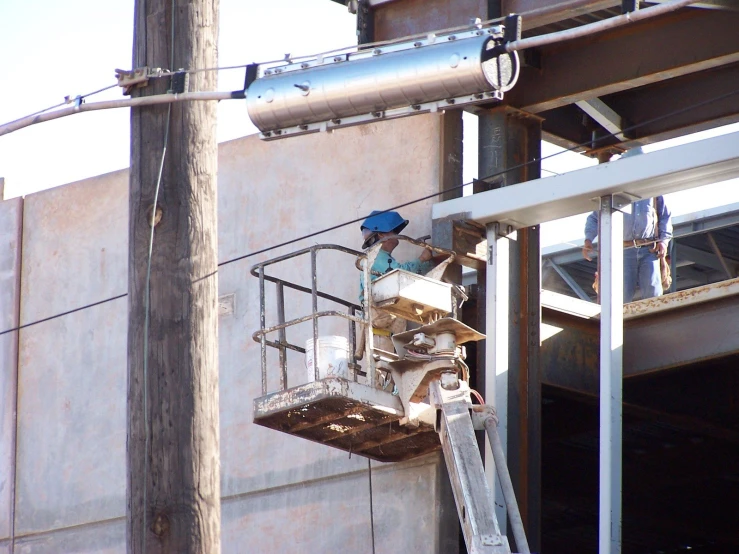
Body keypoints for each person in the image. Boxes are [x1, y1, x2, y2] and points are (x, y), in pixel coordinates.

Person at [582, 147, 673, 302]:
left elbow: (665, 218)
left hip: (649, 249)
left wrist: (664, 243)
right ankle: (623, 325)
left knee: (653, 294)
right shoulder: (614, 193)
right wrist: (588, 240)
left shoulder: (653, 192)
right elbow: (595, 218)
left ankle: (653, 322)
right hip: (624, 250)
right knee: (621, 297)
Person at [356, 209, 433, 358]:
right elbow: (399, 276)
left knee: (387, 373)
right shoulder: (376, 258)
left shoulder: (382, 258)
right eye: (394, 232)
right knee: (382, 374)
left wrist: (425, 264)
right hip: (379, 324)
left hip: (385, 329)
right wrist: (422, 259)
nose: (397, 236)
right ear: (382, 235)